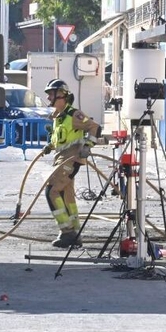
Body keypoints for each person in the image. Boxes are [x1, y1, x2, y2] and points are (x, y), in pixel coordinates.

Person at [41, 78, 104, 248]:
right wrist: (50, 146)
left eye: (51, 94)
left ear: (61, 95)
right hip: (61, 158)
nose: (48, 98)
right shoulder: (58, 118)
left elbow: (95, 128)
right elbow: (62, 138)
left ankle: (67, 232)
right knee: (66, 195)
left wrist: (88, 145)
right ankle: (75, 233)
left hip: (72, 159)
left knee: (52, 190)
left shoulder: (73, 115)